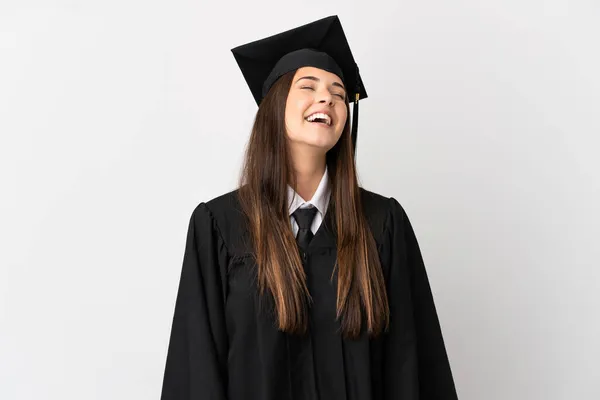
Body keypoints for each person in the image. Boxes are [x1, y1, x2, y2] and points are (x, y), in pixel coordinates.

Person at [160, 15, 458, 400]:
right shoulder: (219, 226)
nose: (327, 99)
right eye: (309, 86)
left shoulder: (383, 224)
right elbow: (196, 367)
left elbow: (412, 363)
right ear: (275, 104)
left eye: (338, 92)